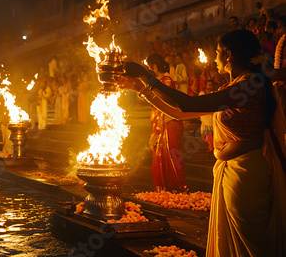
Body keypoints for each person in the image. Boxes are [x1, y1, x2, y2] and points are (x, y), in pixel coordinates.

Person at [118, 29, 286, 257]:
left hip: (246, 177)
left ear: (228, 55)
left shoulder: (247, 86)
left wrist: (145, 75)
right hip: (232, 174)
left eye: (216, 53)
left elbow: (186, 103)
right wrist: (142, 89)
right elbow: (180, 113)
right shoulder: (235, 86)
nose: (214, 58)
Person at [145, 54, 188, 193]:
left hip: (167, 124)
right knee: (160, 158)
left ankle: (175, 188)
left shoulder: (166, 81)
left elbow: (163, 105)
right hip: (160, 125)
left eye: (149, 68)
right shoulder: (159, 81)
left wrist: (158, 130)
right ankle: (164, 190)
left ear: (155, 67)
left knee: (171, 158)